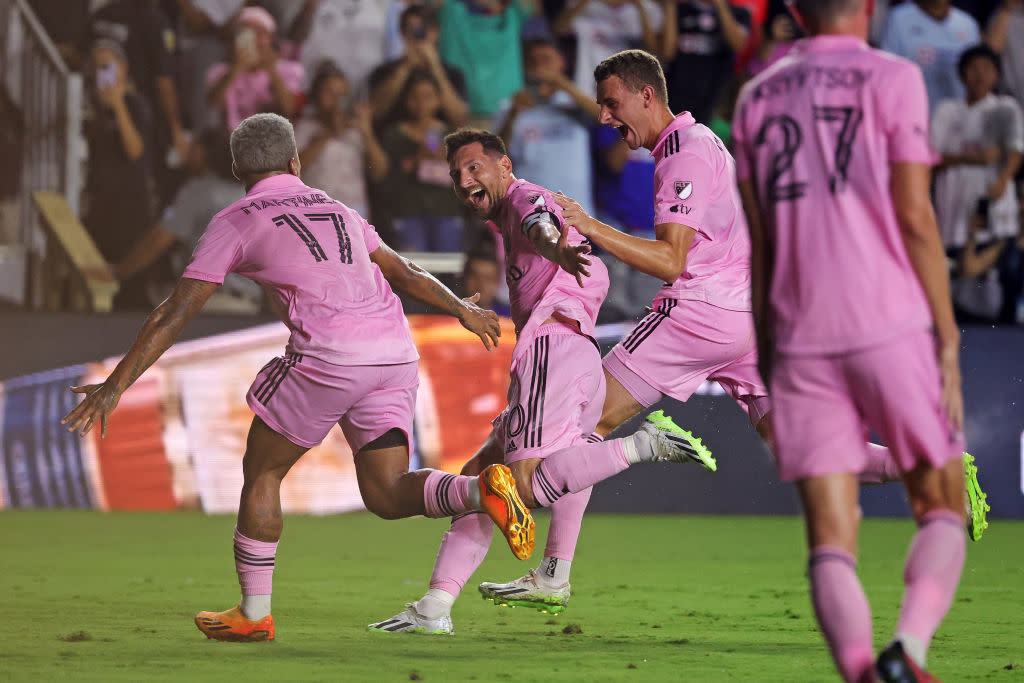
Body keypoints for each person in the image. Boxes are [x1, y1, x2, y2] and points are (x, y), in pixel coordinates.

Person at [478, 47, 988, 616]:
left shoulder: (683, 158)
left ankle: (554, 572)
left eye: (611, 102)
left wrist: (588, 225)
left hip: (700, 313)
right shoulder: (698, 144)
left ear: (647, 95)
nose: (604, 117)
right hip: (749, 318)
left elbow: (673, 262)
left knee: (583, 417)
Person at [60, 113, 534, 643]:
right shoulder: (338, 208)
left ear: (238, 167)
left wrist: (116, 384)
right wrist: (459, 309)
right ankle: (478, 491)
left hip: (329, 358)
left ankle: (254, 612)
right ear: (295, 162)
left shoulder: (236, 219)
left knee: (262, 469)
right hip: (393, 354)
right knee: (385, 492)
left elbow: (176, 311)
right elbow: (402, 271)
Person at [369, 128, 711, 634]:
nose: (465, 182)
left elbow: (540, 223)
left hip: (553, 349)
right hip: (575, 352)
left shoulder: (524, 198)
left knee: (523, 487)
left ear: (504, 165)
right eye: (456, 175)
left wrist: (555, 248)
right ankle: (444, 605)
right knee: (484, 474)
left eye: (474, 168)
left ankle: (646, 445)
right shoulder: (506, 215)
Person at [732, 1, 969, 680]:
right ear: (867, 6)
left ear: (798, 11)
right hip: (887, 322)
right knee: (940, 505)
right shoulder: (894, 77)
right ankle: (910, 649)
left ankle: (865, 671)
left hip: (799, 333)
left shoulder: (753, 98)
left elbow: (762, 247)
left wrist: (772, 355)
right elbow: (917, 217)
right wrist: (947, 338)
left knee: (831, 540)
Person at [932, 44, 1024, 251]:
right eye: (974, 68)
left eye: (987, 69)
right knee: (957, 272)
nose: (980, 75)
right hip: (952, 207)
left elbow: (1016, 149)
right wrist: (974, 158)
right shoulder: (946, 110)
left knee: (992, 275)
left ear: (997, 75)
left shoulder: (1005, 107)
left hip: (993, 208)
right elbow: (931, 158)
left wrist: (1003, 180)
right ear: (962, 74)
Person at [296, 61, 388, 218]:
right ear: (316, 95)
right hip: (317, 211)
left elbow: (380, 171)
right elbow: (294, 169)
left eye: (341, 94)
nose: (336, 99)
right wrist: (329, 134)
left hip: (354, 211)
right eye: (329, 92)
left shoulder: (356, 130)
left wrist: (367, 134)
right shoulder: (304, 128)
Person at [205, 7, 304, 130]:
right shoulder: (220, 72)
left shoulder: (289, 70)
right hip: (232, 140)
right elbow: (213, 104)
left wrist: (271, 70)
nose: (254, 40)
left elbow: (290, 109)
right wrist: (236, 68)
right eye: (247, 33)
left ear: (271, 39)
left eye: (259, 33)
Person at [880, 0, 981, 113]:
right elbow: (887, 73)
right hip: (912, 113)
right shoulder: (898, 18)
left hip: (956, 119)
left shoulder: (968, 24)